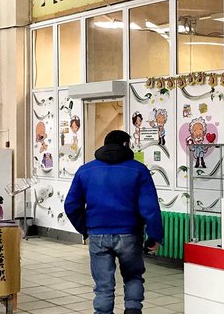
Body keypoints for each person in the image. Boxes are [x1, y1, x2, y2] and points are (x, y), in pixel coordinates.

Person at [64, 130, 163, 314]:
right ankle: (133, 310)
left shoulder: (86, 170)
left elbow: (71, 205)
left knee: (103, 286)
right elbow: (150, 207)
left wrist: (85, 228)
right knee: (133, 277)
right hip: (129, 234)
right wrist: (155, 236)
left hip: (98, 234)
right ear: (125, 144)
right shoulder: (138, 170)